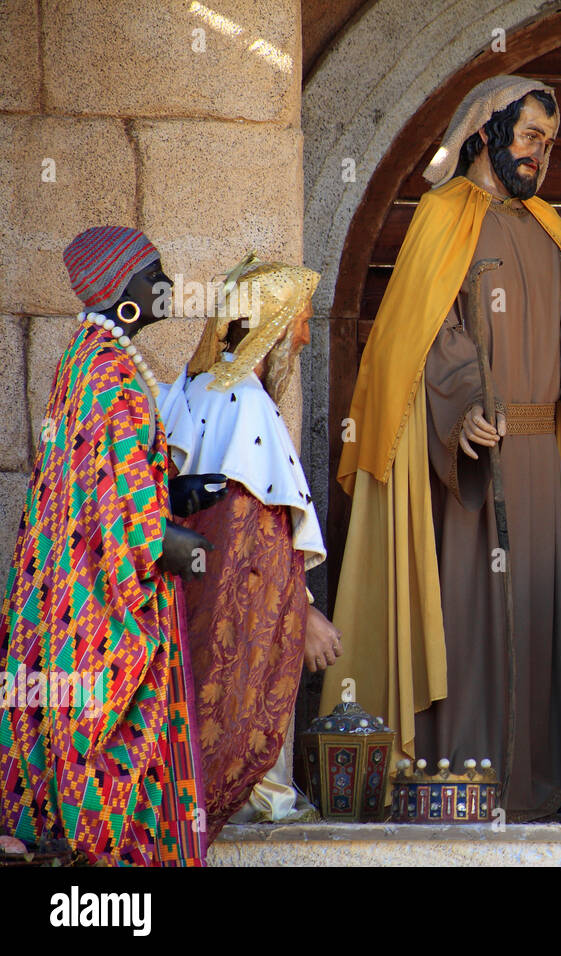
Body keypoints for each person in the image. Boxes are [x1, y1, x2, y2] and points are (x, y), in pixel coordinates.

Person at [328, 75, 561, 820]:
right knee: (473, 623)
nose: (540, 155)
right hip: (467, 474)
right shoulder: (442, 216)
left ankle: (547, 787)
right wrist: (460, 412)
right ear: (490, 131)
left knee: (542, 614)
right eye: (530, 136)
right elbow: (423, 338)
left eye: (551, 144)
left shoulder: (549, 228)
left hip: (539, 471)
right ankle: (460, 787)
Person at [0, 226, 222, 864]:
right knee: (109, 752)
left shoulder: (83, 359)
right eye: (154, 276)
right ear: (122, 290)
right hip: (98, 605)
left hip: (64, 588)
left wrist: (174, 493)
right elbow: (123, 514)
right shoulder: (112, 373)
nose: (166, 288)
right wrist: (178, 543)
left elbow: (102, 479)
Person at [163, 255, 340, 838]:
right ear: (270, 324)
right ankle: (248, 792)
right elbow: (250, 556)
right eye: (299, 321)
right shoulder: (247, 404)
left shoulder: (203, 390)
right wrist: (302, 611)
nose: (306, 336)